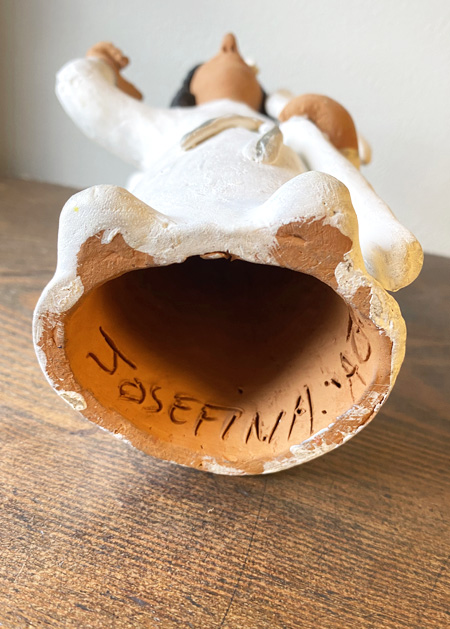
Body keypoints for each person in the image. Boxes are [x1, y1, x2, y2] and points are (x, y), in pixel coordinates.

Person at [56, 33, 422, 291]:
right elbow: (82, 91)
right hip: (163, 238)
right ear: (190, 90)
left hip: (285, 243)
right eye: (217, 56)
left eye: (244, 61)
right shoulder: (168, 123)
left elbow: (342, 170)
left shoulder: (291, 130)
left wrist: (379, 242)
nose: (228, 42)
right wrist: (101, 63)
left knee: (318, 196)